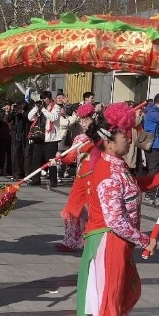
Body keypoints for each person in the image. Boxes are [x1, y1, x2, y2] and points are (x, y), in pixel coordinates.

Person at [66, 103, 159, 316]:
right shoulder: (107, 172)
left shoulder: (117, 166)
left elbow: (135, 186)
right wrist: (146, 240)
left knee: (120, 294)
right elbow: (115, 220)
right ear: (109, 142)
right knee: (106, 299)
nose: (130, 138)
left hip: (118, 243)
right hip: (108, 243)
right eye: (124, 134)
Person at [55, 104, 96, 252]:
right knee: (72, 210)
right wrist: (60, 158)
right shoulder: (79, 138)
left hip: (95, 180)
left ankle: (89, 240)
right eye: (81, 121)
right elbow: (70, 158)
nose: (83, 124)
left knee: (92, 212)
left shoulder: (100, 138)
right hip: (79, 180)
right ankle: (70, 241)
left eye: (86, 121)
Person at [27, 91, 61, 186]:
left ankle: (53, 180)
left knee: (51, 160)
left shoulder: (56, 107)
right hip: (39, 137)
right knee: (36, 159)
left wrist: (43, 109)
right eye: (42, 99)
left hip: (51, 139)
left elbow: (53, 118)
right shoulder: (39, 108)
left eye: (45, 98)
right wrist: (36, 107)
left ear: (49, 98)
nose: (43, 101)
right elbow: (30, 117)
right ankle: (36, 179)